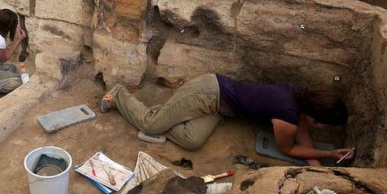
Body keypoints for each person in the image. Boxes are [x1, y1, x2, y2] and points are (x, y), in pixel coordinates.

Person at [100, 73, 353, 166]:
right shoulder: (287, 114)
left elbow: (303, 136)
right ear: (314, 116)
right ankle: (119, 93)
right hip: (208, 92)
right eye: (323, 124)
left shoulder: (299, 100)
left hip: (219, 107)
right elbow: (288, 146)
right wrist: (329, 156)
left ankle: (167, 113)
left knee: (192, 140)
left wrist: (319, 170)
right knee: (151, 125)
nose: (320, 128)